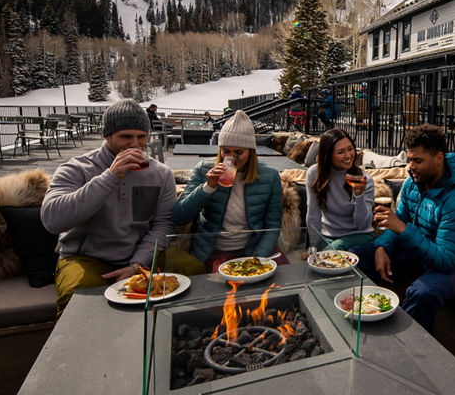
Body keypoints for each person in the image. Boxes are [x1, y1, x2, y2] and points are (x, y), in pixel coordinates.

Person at [41, 99, 196, 316]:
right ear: (107, 136)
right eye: (126, 137)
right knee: (78, 296)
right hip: (87, 257)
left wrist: (137, 265)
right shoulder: (77, 169)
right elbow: (52, 220)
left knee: (194, 271)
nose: (135, 144)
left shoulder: (160, 174)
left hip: (141, 254)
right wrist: (110, 177)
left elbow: (163, 224)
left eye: (141, 137)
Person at [351, 124, 455, 331]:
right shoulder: (413, 183)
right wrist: (381, 247)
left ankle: (406, 347)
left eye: (418, 161)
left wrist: (403, 229)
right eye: (409, 160)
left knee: (422, 294)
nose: (410, 166)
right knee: (356, 257)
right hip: (419, 253)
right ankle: (360, 317)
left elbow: (446, 260)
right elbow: (398, 221)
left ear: (439, 158)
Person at [172, 110, 284, 272]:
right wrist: (207, 187)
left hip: (252, 249)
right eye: (226, 151)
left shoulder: (270, 175)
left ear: (251, 152)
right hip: (211, 249)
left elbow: (273, 224)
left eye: (239, 152)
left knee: (284, 282)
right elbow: (179, 217)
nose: (232, 158)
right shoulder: (204, 169)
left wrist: (258, 259)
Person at [305, 128, 375, 251]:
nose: (348, 156)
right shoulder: (314, 174)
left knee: (329, 255)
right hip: (328, 235)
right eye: (340, 152)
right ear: (328, 155)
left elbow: (362, 224)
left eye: (350, 149)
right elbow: (313, 213)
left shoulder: (364, 179)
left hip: (358, 236)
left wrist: (359, 196)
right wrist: (313, 245)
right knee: (319, 261)